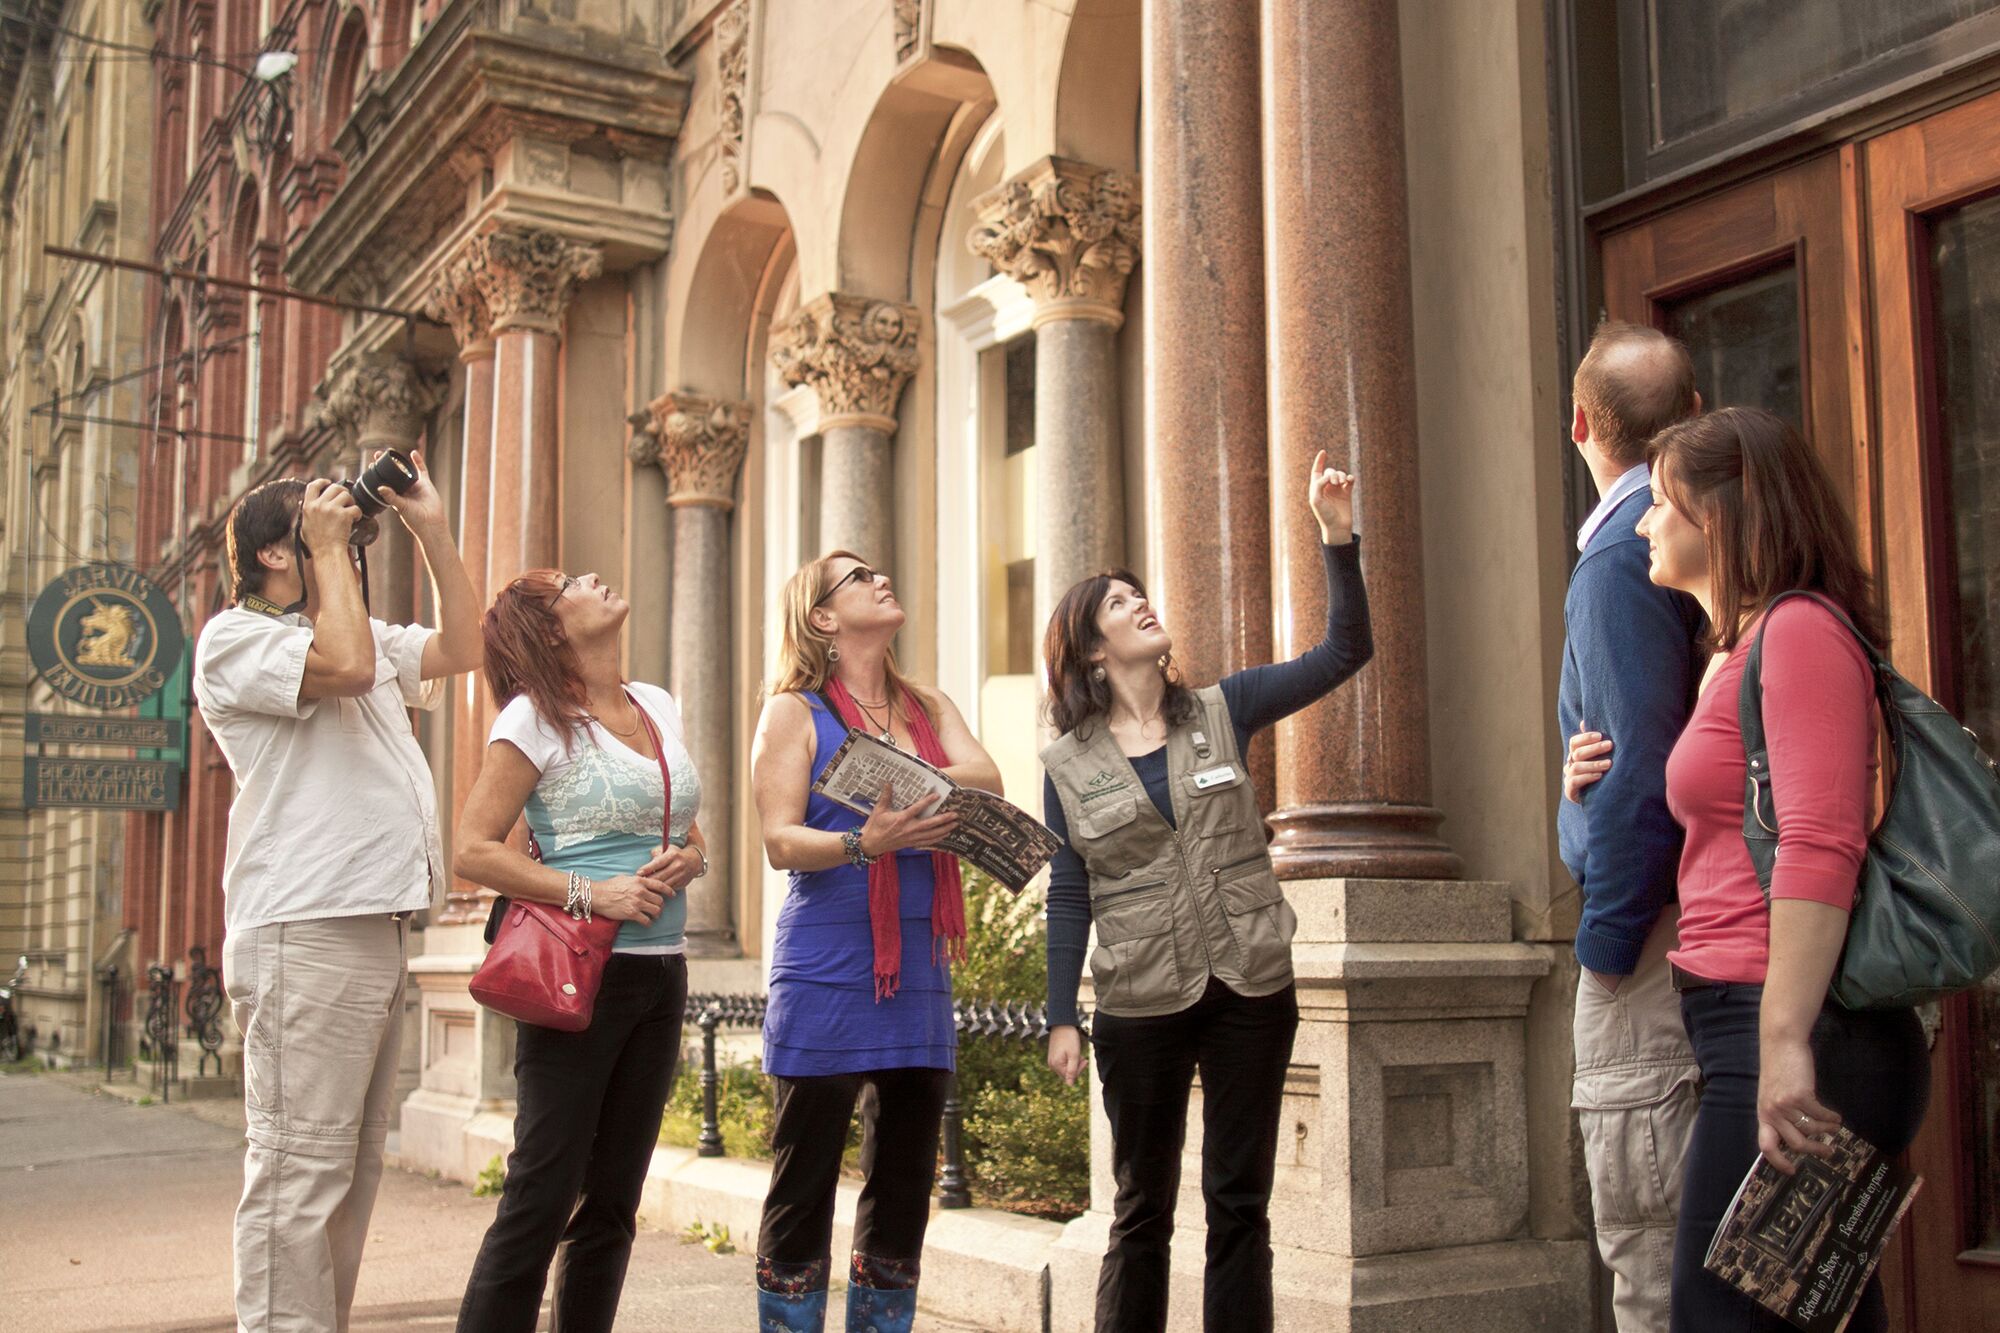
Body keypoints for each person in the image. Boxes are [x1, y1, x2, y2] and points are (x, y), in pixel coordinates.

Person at [1572, 407, 1930, 1332]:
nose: (1644, 522)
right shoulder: (1732, 647)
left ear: (1721, 519)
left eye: (1663, 505)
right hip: (1751, 1020)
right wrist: (1588, 792)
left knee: (1723, 1312)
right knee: (1802, 1313)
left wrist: (1783, 1044)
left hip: (1803, 1029)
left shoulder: (1802, 630)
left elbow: (1820, 845)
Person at [1040, 451, 1371, 1333]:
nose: (1140, 602)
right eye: (1118, 601)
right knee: (1141, 1208)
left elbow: (1346, 651)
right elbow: (1070, 887)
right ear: (1090, 649)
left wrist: (1337, 538)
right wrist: (1060, 1014)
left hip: (1250, 987)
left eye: (1138, 592)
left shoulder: (1226, 707)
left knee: (1239, 1204)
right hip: (1141, 995)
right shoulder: (1066, 762)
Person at [198, 455, 482, 1333]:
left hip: (372, 925)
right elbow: (352, 667)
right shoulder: (236, 640)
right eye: (312, 519)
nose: (340, 527)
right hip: (305, 929)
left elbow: (468, 646)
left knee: (349, 1175)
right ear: (275, 555)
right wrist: (333, 544)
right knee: (298, 1169)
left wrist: (426, 524)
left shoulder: (346, 628)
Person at [747, 551, 1004, 1333]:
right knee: (803, 1183)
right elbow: (780, 841)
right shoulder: (794, 711)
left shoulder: (928, 702)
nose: (880, 578)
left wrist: (910, 781)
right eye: (857, 577)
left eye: (878, 571)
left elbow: (985, 777)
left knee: (902, 1185)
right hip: (828, 963)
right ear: (822, 617)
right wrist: (867, 840)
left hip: (919, 963)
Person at [454, 570, 708, 1332]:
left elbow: (688, 829)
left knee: (614, 1203)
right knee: (541, 1194)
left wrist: (695, 859)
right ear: (554, 629)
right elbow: (471, 848)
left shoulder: (655, 703)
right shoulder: (534, 719)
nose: (594, 576)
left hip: (660, 974)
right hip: (579, 978)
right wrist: (592, 894)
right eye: (569, 584)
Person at [1554, 321, 1706, 1332]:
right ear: (1690, 417)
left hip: (1648, 951)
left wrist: (1606, 946)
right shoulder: (1689, 536)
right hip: (1695, 936)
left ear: (1577, 426)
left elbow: (1641, 775)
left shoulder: (1618, 555)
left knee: (1651, 1260)